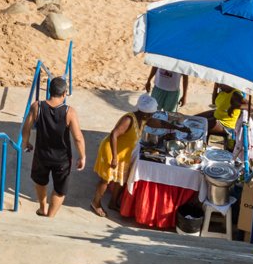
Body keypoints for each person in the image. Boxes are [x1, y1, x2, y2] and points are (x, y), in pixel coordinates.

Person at [21, 76, 86, 217]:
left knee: (40, 181)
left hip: (41, 155)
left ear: (49, 91)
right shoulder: (69, 112)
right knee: (60, 189)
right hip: (62, 159)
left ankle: (42, 208)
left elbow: (26, 128)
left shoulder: (37, 106)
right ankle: (50, 217)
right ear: (64, 93)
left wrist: (25, 143)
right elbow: (78, 138)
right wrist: (82, 156)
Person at [90, 93, 157, 216]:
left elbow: (156, 123)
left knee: (121, 179)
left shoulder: (143, 119)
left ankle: (113, 202)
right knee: (106, 180)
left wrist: (176, 127)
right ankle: (96, 203)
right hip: (111, 151)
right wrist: (114, 157)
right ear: (145, 114)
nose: (152, 116)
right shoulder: (128, 120)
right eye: (151, 114)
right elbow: (114, 134)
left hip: (124, 153)